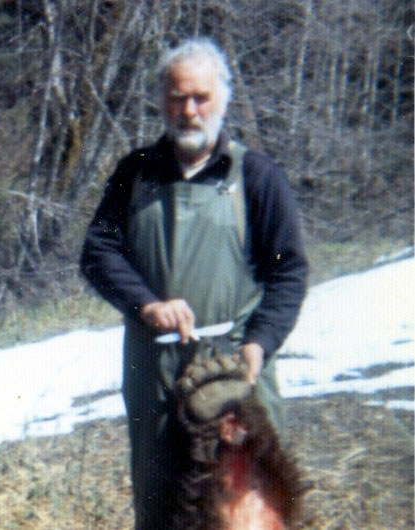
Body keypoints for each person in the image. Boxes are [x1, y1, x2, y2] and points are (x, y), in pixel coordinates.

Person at [79, 37, 308, 529]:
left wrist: (260, 343)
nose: (189, 110)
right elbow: (98, 252)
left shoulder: (257, 176)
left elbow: (289, 270)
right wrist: (146, 305)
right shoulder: (134, 174)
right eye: (178, 97)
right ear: (161, 100)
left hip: (234, 369)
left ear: (222, 100)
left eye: (200, 97)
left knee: (244, 506)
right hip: (154, 371)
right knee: (164, 506)